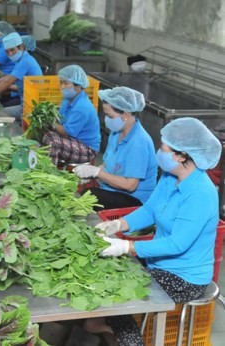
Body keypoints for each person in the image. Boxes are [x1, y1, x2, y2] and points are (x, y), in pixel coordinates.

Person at [87, 117, 222, 346]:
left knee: (120, 290)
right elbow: (150, 210)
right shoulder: (171, 177)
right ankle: (108, 329)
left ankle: (130, 340)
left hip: (184, 277)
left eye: (163, 147)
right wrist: (119, 224)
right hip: (157, 262)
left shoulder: (200, 194)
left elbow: (177, 244)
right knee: (106, 271)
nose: (159, 151)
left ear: (182, 156)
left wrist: (127, 246)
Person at [73, 87, 157, 210]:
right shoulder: (116, 133)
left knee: (90, 196)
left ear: (126, 115)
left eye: (110, 116)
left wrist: (97, 173)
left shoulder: (139, 143)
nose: (106, 120)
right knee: (84, 192)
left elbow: (130, 185)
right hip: (113, 189)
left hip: (134, 199)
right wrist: (91, 172)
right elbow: (107, 163)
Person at [41, 65, 100, 166]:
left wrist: (49, 122)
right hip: (74, 140)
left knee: (53, 141)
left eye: (66, 83)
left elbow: (66, 132)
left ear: (78, 85)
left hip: (87, 148)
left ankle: (49, 171)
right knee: (44, 132)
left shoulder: (82, 107)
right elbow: (61, 119)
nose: (62, 87)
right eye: (61, 83)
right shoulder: (67, 99)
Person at [0, 32, 42, 122]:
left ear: (22, 47)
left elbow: (8, 81)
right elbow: (8, 77)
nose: (10, 54)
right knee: (1, 111)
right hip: (25, 103)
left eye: (12, 50)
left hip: (31, 108)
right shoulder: (21, 59)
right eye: (7, 52)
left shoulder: (25, 61)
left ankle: (12, 134)